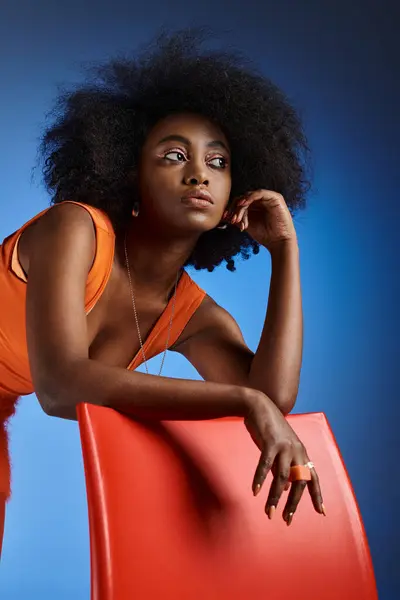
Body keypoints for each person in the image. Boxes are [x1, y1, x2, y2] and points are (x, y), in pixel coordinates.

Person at [0, 30, 325, 554]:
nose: (199, 173)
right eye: (174, 156)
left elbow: (274, 397)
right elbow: (60, 388)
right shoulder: (74, 230)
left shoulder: (193, 314)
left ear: (232, 197)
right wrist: (243, 402)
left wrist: (285, 252)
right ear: (132, 177)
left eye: (218, 162)